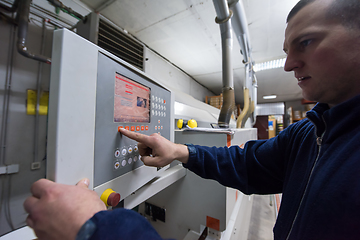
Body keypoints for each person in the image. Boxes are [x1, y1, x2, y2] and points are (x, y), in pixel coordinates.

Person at [24, 0, 360, 239]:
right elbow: (248, 162)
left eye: (305, 43)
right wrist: (179, 151)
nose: (289, 65)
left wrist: (94, 228)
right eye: (286, 50)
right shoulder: (310, 132)